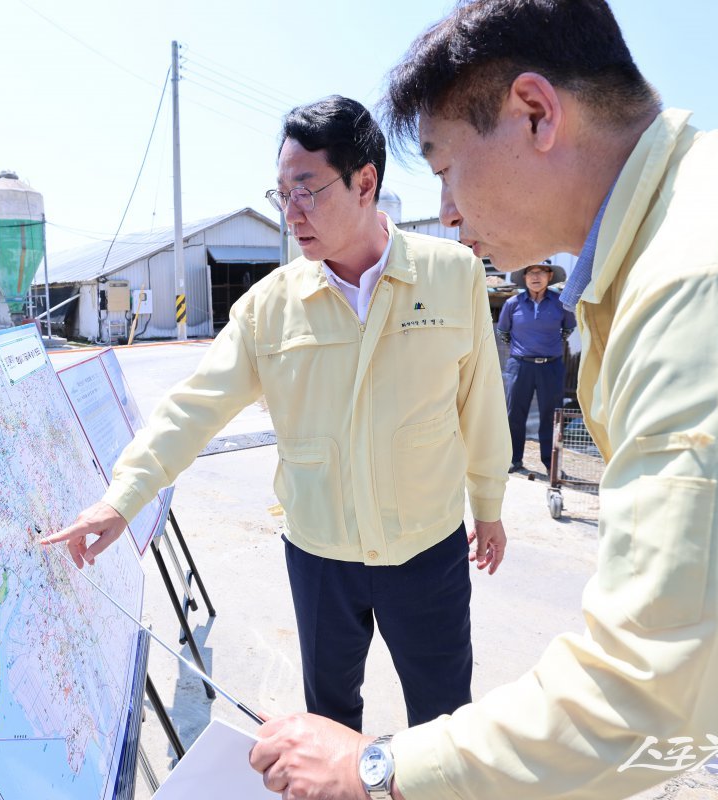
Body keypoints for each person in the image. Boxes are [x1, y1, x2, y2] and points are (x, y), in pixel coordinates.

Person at [250, 1, 718, 798]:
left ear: (535, 113)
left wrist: (376, 765)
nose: (448, 211)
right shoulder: (687, 226)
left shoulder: (708, 281)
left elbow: (652, 685)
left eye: (447, 166)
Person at [45, 95, 511, 733]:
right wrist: (123, 498)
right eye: (281, 195)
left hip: (427, 551)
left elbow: (480, 401)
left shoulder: (453, 275)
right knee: (330, 720)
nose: (291, 215)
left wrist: (488, 505)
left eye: (307, 190)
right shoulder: (271, 307)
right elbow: (194, 406)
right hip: (320, 558)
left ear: (365, 182)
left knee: (443, 719)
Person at [496, 262, 576, 473]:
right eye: (530, 272)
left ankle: (551, 464)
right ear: (524, 277)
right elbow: (503, 332)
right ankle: (513, 459)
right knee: (515, 413)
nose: (535, 276)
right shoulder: (513, 303)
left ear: (550, 276)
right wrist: (524, 350)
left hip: (551, 367)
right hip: (520, 366)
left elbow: (568, 328)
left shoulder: (560, 303)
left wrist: (547, 347)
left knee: (551, 415)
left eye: (541, 272)